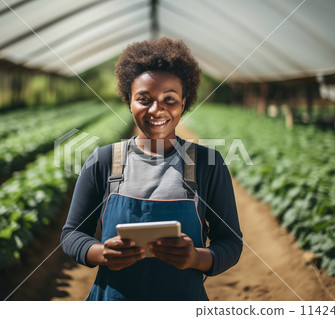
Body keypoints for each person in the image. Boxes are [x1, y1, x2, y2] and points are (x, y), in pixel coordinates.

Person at [61, 37, 242, 301]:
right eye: (144, 99)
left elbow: (230, 243)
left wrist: (196, 257)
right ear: (129, 101)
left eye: (169, 99)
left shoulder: (206, 164)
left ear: (184, 102)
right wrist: (101, 253)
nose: (157, 110)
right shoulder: (103, 161)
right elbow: (72, 235)